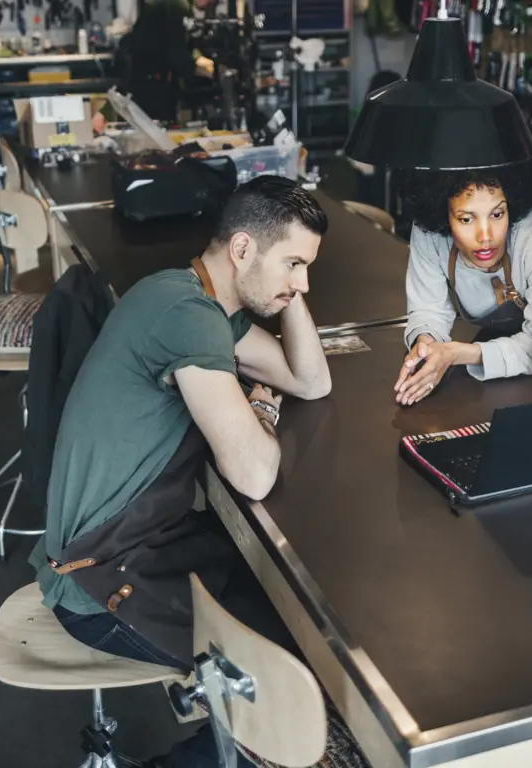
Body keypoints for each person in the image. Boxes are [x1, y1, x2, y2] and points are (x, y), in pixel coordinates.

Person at [28, 176, 331, 684]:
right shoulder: (187, 317)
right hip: (98, 581)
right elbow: (255, 475)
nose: (303, 282)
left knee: (292, 618)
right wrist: (262, 413)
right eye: (294, 264)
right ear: (241, 248)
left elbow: (309, 381)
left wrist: (286, 287)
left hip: (136, 546)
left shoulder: (193, 296)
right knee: (297, 671)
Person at [394, 164, 532, 405]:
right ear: (442, 217)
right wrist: (425, 345)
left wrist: (456, 353)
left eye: (497, 214)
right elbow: (428, 309)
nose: (485, 236)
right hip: (509, 375)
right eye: (466, 219)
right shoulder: (429, 232)